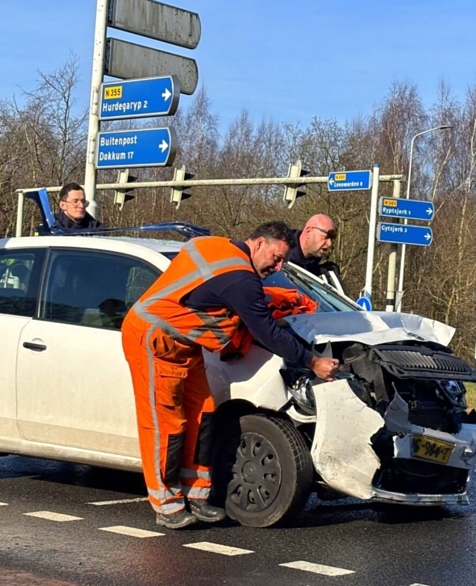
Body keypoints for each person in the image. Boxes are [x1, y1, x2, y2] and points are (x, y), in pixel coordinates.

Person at [121, 221, 338, 530]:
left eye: (282, 262)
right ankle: (166, 504)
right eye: (276, 258)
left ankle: (197, 495)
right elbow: (266, 331)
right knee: (166, 425)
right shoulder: (241, 278)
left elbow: (204, 289)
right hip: (155, 339)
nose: (277, 267)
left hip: (184, 342)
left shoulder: (217, 246)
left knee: (204, 413)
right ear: (259, 244)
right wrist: (312, 361)